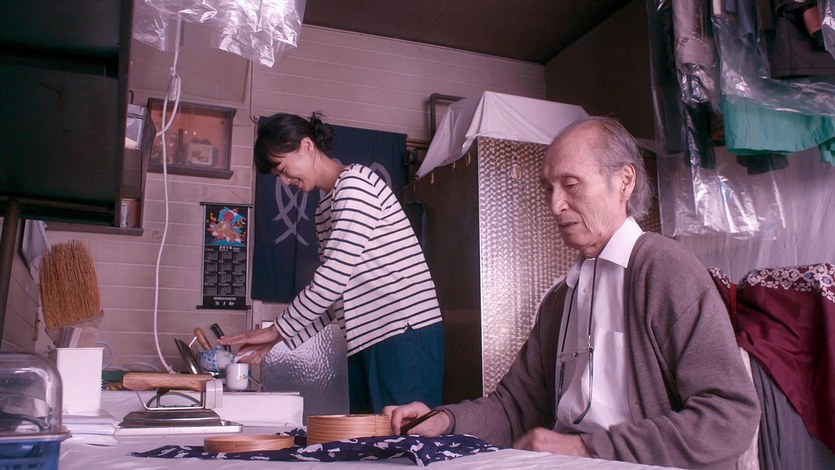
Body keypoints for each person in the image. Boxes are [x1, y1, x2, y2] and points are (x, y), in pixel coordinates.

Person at [385, 116, 760, 468]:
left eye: (571, 184)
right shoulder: (560, 299)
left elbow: (729, 416)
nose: (555, 204)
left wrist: (586, 448)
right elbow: (515, 407)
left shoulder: (664, 269)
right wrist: (445, 420)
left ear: (624, 181)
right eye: (549, 188)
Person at [220, 112, 445, 414]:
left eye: (283, 169)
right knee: (374, 439)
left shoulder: (355, 185)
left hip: (402, 333)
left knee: (404, 437)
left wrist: (277, 330)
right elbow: (337, 295)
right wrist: (280, 337)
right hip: (369, 338)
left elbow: (332, 279)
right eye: (278, 176)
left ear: (307, 146)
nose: (285, 181)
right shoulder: (326, 206)